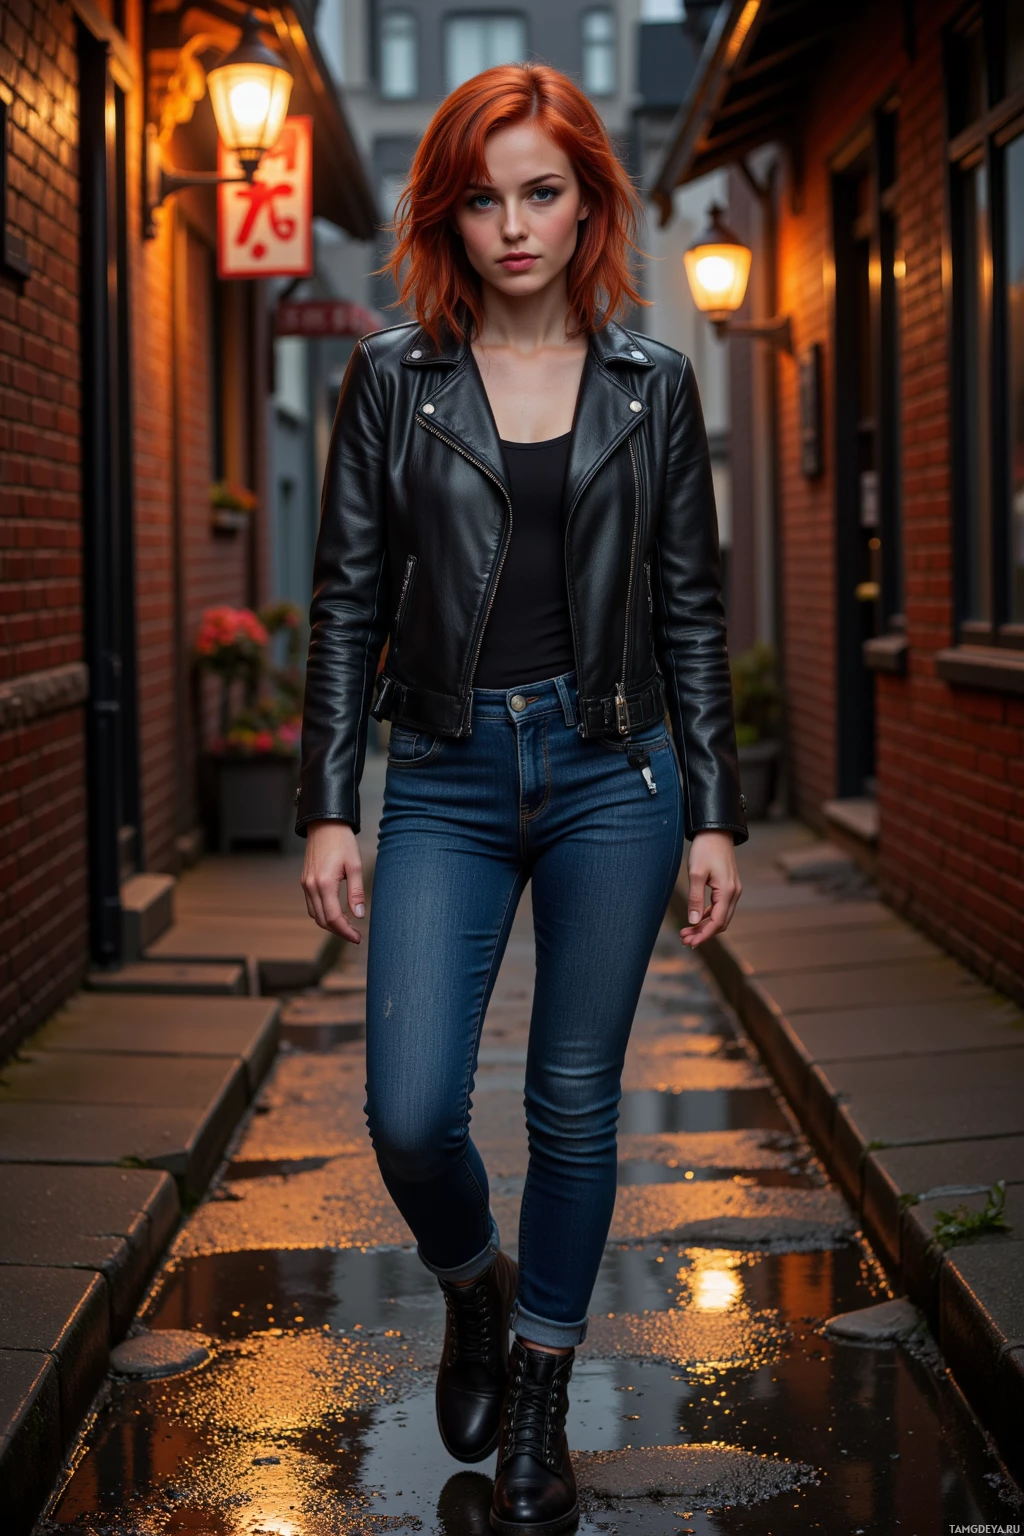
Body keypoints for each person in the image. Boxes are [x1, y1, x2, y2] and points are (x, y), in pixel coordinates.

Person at [298, 61, 747, 1536]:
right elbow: (348, 597)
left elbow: (694, 605)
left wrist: (712, 811)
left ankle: (544, 1383)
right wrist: (326, 804)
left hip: (617, 774)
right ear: (447, 209)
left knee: (570, 1100)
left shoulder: (656, 383)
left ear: (588, 200)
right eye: (481, 198)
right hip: (445, 769)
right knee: (413, 1105)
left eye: (541, 193)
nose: (512, 226)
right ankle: (469, 1287)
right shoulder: (393, 377)